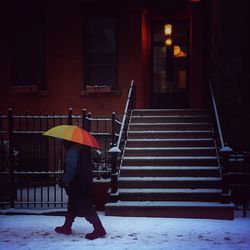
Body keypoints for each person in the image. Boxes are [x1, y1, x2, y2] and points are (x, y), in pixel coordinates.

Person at [55, 140, 106, 240]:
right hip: (84, 182)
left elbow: (71, 169)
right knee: (72, 206)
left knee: (86, 207)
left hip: (77, 183)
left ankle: (99, 229)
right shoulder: (84, 150)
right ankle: (67, 227)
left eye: (63, 142)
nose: (63, 144)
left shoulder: (73, 151)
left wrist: (65, 180)